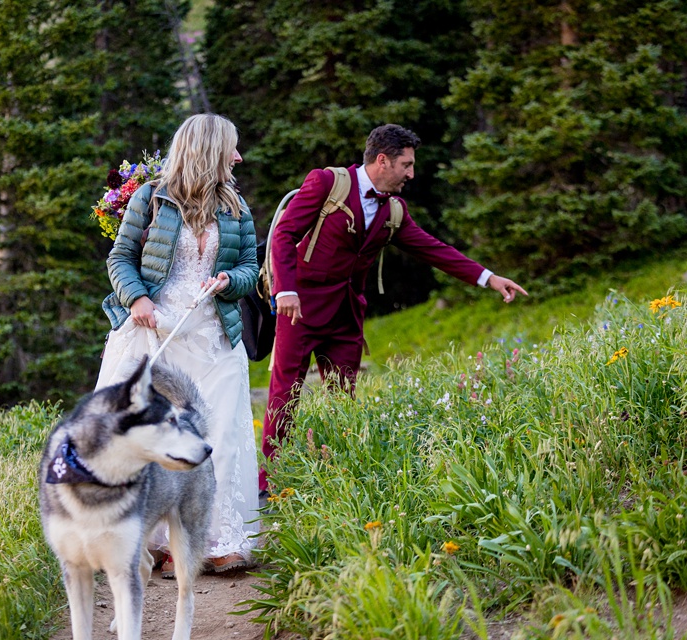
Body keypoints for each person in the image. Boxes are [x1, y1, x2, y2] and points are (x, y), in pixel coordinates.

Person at [259, 124, 528, 494]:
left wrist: (488, 278)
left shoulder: (395, 211)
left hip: (346, 315)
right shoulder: (326, 183)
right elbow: (284, 233)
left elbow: (435, 249)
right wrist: (285, 289)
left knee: (344, 398)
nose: (411, 174)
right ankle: (269, 483)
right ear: (382, 161)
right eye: (406, 164)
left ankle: (340, 473)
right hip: (299, 309)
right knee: (284, 393)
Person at [98, 113, 260, 575]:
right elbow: (121, 257)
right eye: (232, 147)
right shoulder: (150, 198)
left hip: (215, 333)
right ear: (209, 150)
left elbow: (251, 265)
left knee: (222, 434)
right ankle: (163, 544)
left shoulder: (235, 206)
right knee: (159, 433)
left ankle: (216, 539)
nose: (238, 156)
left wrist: (231, 279)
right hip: (157, 332)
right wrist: (138, 299)